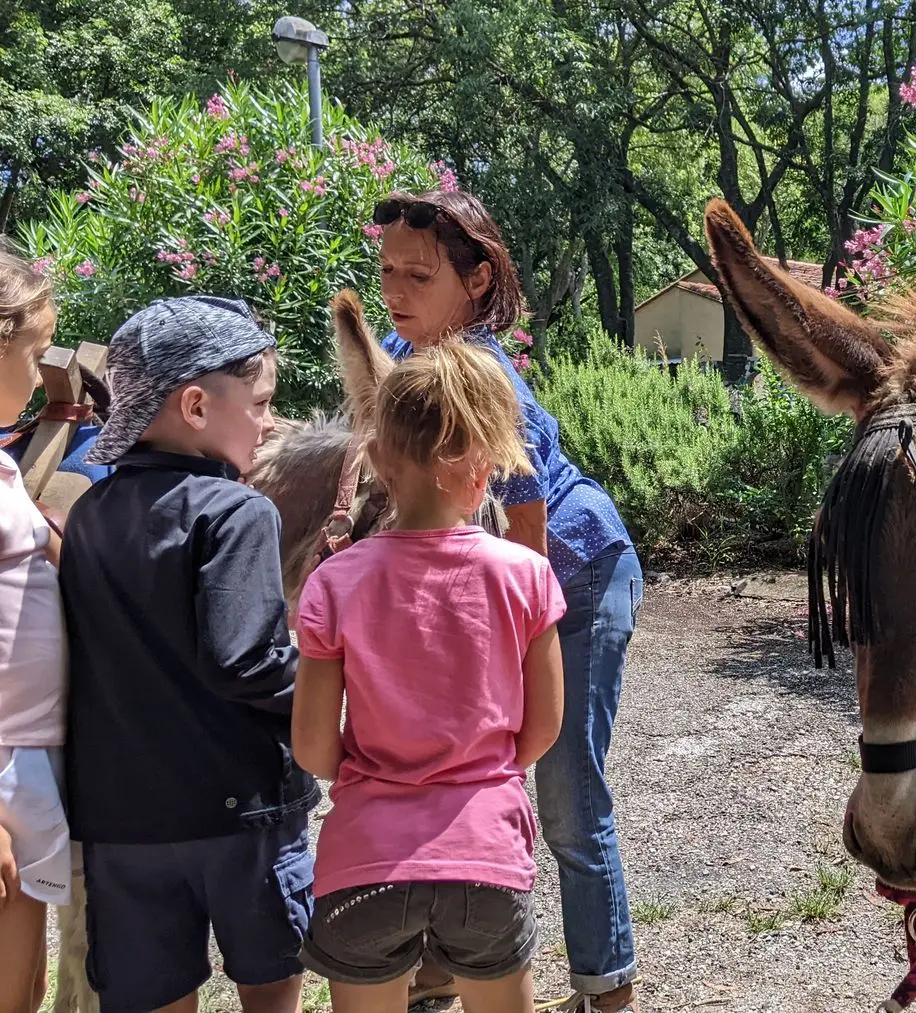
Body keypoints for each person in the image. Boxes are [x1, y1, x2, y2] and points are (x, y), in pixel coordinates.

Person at [372, 190, 644, 1013]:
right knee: (462, 783)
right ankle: (442, 970)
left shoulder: (484, 377)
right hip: (509, 577)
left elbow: (526, 525)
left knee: (566, 797)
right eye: (387, 270)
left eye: (420, 275)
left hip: (578, 572)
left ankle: (606, 988)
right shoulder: (400, 352)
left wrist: (504, 655)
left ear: (478, 280)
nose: (396, 290)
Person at [292, 342, 566, 1013]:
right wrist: (482, 771)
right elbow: (542, 729)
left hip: (365, 859)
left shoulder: (334, 582)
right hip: (486, 853)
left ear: (377, 458)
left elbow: (314, 749)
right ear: (486, 467)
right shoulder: (526, 576)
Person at [61, 296, 315, 1013]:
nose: (269, 422)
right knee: (271, 986)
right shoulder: (238, 511)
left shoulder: (88, 514)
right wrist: (328, 680)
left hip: (123, 821)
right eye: (260, 403)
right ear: (197, 406)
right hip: (244, 815)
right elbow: (247, 661)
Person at [0, 251, 70, 1013]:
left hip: (25, 753)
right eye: (37, 351)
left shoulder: (5, 465)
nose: (44, 371)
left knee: (24, 982)